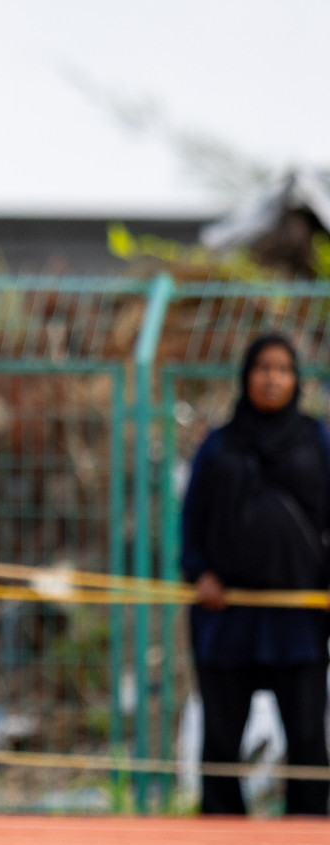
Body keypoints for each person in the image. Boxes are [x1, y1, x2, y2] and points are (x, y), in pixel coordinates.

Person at [181, 333, 330, 816]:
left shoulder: (317, 441)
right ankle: (221, 836)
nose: (272, 378)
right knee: (222, 737)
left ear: (296, 379)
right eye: (262, 368)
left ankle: (306, 833)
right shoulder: (219, 445)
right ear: (246, 376)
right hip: (228, 618)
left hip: (299, 622)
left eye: (283, 369)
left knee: (307, 735)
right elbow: (191, 523)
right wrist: (200, 574)